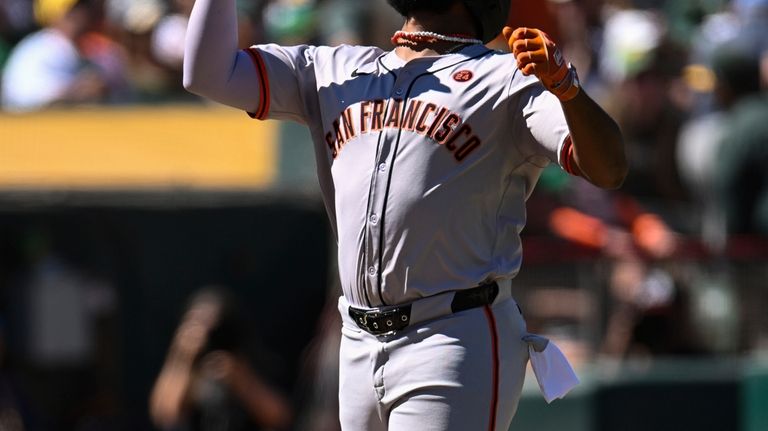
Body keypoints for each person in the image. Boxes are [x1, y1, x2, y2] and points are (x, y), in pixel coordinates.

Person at [183, 0, 626, 429]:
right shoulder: (332, 69)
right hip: (357, 337)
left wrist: (566, 88)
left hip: (453, 335)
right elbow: (208, 73)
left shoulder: (508, 77)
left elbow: (608, 168)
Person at [150, 287, 292, 431]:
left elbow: (280, 418)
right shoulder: (188, 368)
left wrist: (241, 381)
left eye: (215, 330)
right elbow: (165, 414)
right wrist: (184, 357)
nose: (207, 337)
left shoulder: (252, 364)